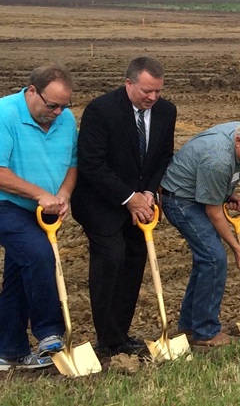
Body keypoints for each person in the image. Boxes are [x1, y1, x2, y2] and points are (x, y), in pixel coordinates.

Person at [0, 64, 77, 371]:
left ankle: (10, 352)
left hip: (39, 209)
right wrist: (40, 194)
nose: (57, 112)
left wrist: (64, 194)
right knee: (40, 256)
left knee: (19, 273)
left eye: (64, 106)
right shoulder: (0, 115)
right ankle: (49, 333)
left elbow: (72, 164)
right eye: (51, 105)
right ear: (31, 91)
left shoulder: (65, 120)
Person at [71, 56, 176, 356]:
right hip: (100, 201)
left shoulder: (166, 111)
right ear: (128, 83)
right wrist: (129, 198)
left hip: (140, 200)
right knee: (111, 258)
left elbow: (163, 156)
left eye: (158, 91)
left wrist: (147, 192)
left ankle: (121, 334)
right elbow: (92, 163)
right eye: (146, 91)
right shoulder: (101, 110)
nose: (153, 98)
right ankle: (107, 339)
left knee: (134, 259)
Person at [160, 118, 240, 347]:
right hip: (181, 201)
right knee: (214, 258)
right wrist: (238, 250)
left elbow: (229, 176)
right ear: (238, 141)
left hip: (197, 192)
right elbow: (214, 212)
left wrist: (225, 192)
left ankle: (189, 326)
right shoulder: (218, 159)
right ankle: (205, 333)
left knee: (207, 259)